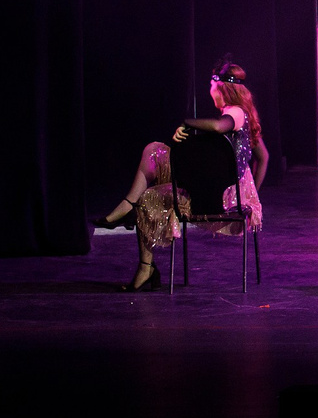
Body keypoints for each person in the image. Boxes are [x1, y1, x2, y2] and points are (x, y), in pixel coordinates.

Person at [91, 57, 268, 292]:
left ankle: (143, 257)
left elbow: (219, 127)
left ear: (221, 88)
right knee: (153, 158)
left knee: (150, 181)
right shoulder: (243, 116)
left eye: (211, 85)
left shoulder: (235, 112)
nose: (210, 91)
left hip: (221, 196)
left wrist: (187, 123)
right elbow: (264, 157)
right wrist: (252, 193)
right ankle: (131, 216)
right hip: (220, 189)